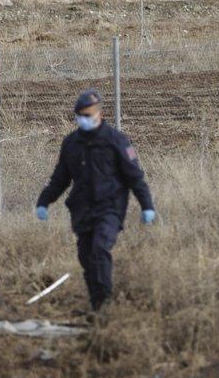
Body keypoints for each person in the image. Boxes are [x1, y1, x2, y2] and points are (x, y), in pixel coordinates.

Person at [35, 90, 155, 312]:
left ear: (100, 113)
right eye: (79, 115)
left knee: (100, 249)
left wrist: (147, 206)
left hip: (110, 207)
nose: (83, 119)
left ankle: (105, 305)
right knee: (86, 256)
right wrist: (44, 201)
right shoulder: (71, 143)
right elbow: (60, 178)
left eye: (88, 114)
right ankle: (95, 303)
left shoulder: (116, 141)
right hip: (82, 209)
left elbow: (134, 176)